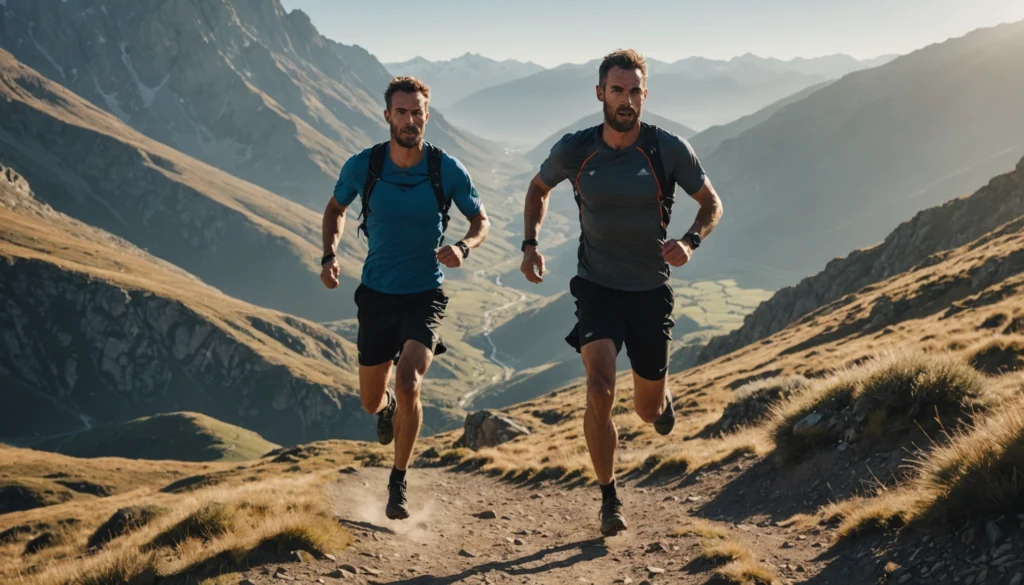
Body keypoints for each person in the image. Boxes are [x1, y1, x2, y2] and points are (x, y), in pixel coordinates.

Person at [519, 49, 724, 536]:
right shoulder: (577, 149)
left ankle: (660, 399)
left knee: (646, 410)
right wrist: (530, 244)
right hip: (597, 287)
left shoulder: (666, 149)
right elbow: (537, 189)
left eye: (635, 91)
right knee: (598, 387)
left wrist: (691, 241)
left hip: (650, 290)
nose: (626, 100)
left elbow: (711, 202)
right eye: (617, 90)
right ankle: (609, 497)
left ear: (645, 94)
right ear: (600, 94)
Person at [320, 76, 490, 520]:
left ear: (427, 116)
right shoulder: (365, 166)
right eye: (402, 112)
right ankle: (388, 409)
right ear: (387, 116)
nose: (410, 120)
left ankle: (397, 481)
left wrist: (465, 247)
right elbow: (335, 209)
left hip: (425, 294)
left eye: (418, 113)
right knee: (371, 400)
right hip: (376, 295)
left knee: (410, 381)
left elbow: (480, 220)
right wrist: (330, 254)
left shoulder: (445, 168)